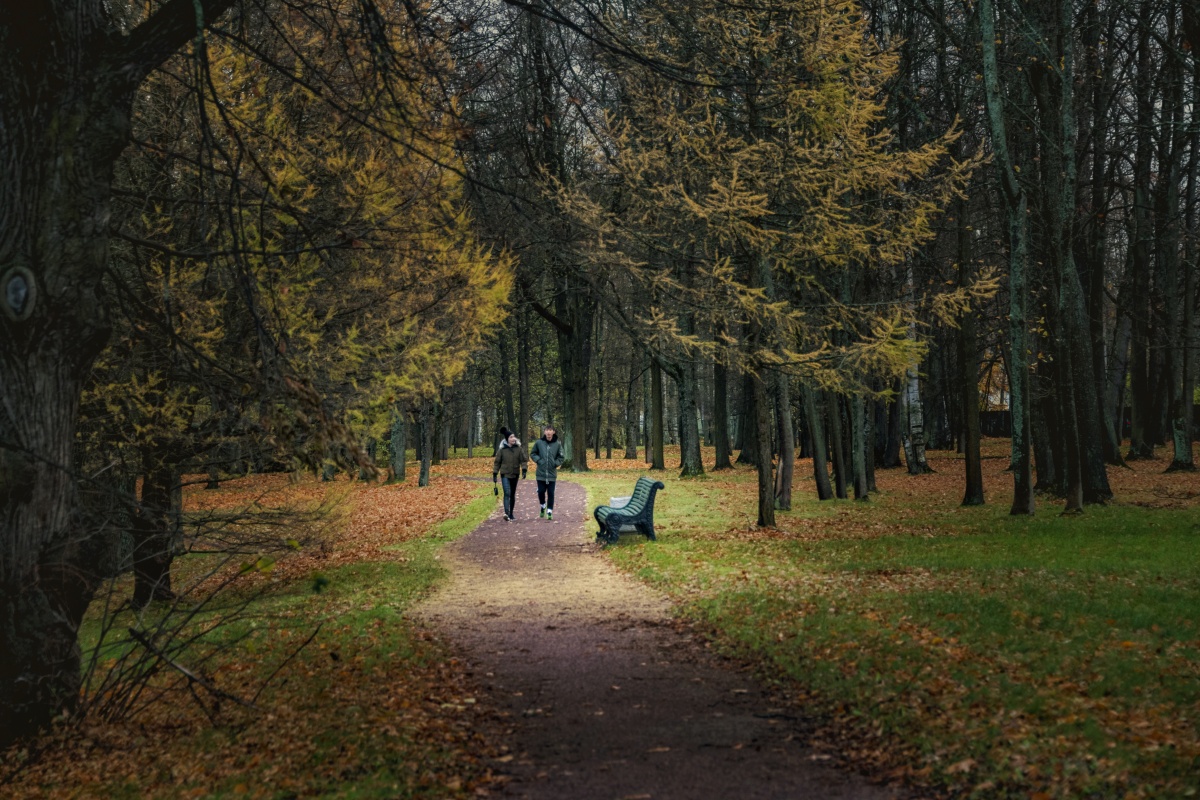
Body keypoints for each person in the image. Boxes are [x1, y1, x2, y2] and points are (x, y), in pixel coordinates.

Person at [529, 425, 565, 520]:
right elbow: (533, 453)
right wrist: (539, 461)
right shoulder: (539, 443)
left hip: (552, 474)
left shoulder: (557, 444)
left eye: (550, 430)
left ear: (553, 432)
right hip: (540, 474)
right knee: (541, 491)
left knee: (551, 493)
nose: (548, 432)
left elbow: (561, 456)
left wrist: (555, 464)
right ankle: (542, 505)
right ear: (544, 432)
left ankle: (549, 511)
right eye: (547, 430)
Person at [492, 432, 528, 521]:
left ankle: (511, 513)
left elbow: (523, 460)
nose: (513, 438)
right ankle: (506, 513)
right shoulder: (502, 450)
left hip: (515, 473)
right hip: (505, 474)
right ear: (507, 439)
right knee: (507, 493)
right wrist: (495, 473)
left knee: (512, 494)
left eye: (514, 437)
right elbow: (497, 463)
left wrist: (524, 470)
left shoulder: (519, 449)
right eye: (511, 437)